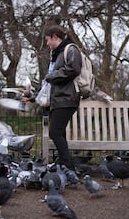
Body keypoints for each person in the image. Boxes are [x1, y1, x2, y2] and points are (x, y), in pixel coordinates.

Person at [23, 25, 82, 169]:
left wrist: (51, 76)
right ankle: (65, 166)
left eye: (48, 40)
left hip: (67, 99)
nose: (47, 43)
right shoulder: (57, 54)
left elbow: (74, 69)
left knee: (54, 132)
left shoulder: (70, 49)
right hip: (58, 100)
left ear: (55, 37)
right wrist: (33, 98)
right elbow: (48, 87)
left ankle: (67, 166)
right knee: (59, 132)